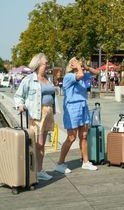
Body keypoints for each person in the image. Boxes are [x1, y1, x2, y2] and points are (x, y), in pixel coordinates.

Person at [14, 53, 57, 181]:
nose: (47, 65)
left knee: (42, 144)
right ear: (38, 65)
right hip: (37, 114)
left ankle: (39, 170)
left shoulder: (47, 78)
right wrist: (20, 105)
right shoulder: (29, 80)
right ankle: (34, 171)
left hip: (48, 113)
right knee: (37, 144)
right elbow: (18, 96)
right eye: (45, 63)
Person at [54, 57, 98, 174]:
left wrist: (86, 67)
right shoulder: (69, 77)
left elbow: (97, 73)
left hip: (83, 107)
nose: (81, 65)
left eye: (81, 63)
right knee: (71, 137)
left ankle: (86, 162)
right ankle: (60, 163)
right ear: (72, 65)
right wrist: (78, 67)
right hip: (72, 108)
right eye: (78, 63)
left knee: (83, 136)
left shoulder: (83, 74)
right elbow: (80, 76)